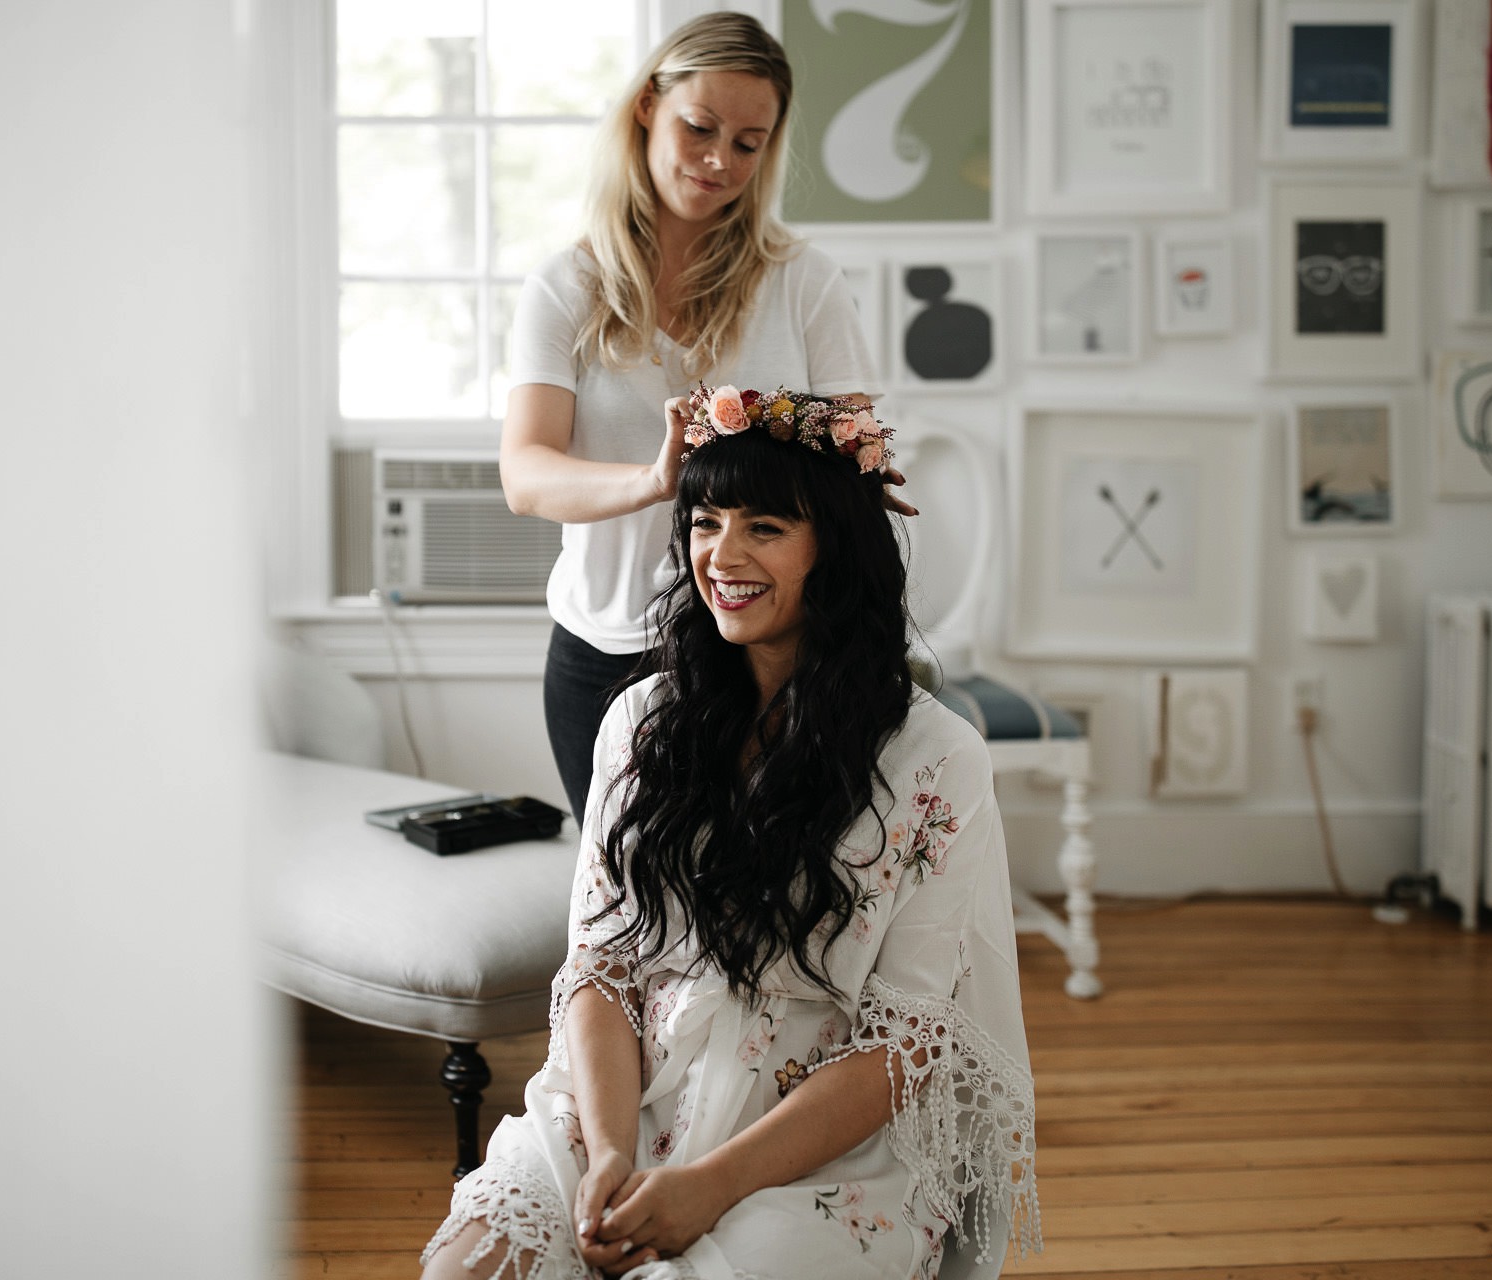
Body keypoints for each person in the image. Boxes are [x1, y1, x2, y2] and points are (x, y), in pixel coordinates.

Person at [420, 390, 1039, 1280]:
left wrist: (708, 1186)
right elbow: (600, 967)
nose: (723, 554)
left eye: (766, 527)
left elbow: (906, 1045)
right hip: (625, 1094)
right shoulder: (641, 720)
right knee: (468, 1267)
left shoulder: (936, 758)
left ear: (838, 546)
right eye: (705, 521)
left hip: (812, 1139)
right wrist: (607, 1156)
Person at [499, 12, 889, 820]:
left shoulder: (804, 282)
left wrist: (863, 475)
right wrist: (653, 479)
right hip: (606, 653)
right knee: (628, 908)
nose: (720, 161)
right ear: (648, 106)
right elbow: (526, 476)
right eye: (700, 128)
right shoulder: (565, 288)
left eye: (749, 143)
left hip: (772, 655)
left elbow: (857, 450)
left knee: (766, 902)